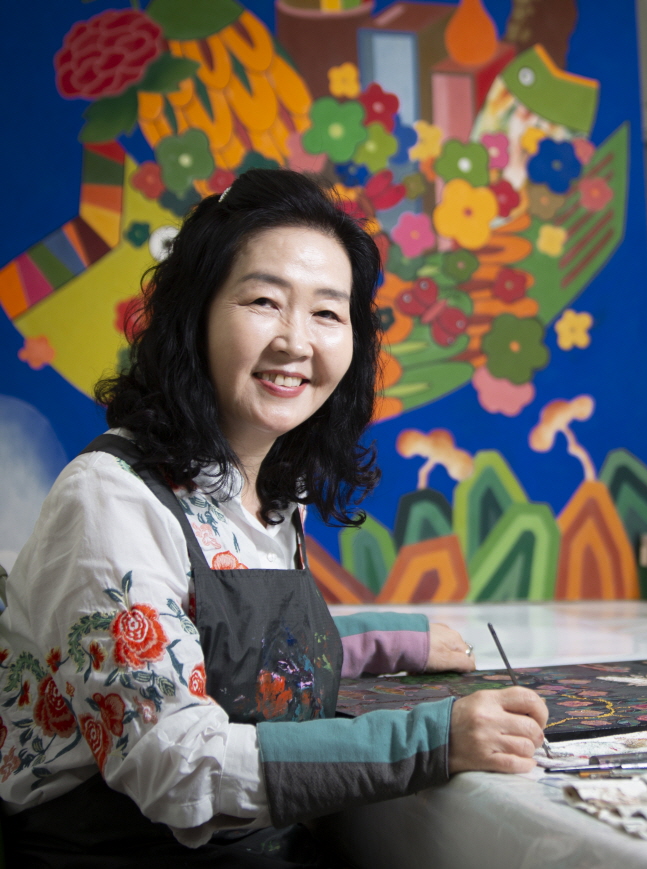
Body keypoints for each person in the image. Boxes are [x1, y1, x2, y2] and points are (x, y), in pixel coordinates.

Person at [0, 169, 549, 866]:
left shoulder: (270, 492)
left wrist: (386, 639)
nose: (296, 341)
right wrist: (429, 739)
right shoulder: (110, 499)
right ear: (195, 315)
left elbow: (229, 653)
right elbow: (176, 765)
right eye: (264, 301)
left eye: (327, 313)